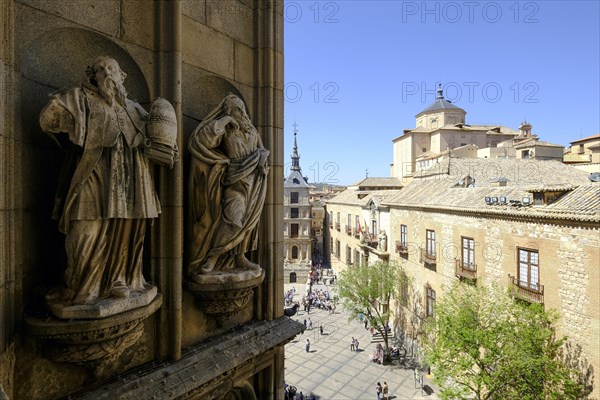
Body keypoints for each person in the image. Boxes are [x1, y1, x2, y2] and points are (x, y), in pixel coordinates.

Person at [39, 56, 167, 305]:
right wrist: (63, 109)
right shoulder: (82, 99)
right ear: (93, 77)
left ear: (122, 76)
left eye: (112, 69)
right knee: (83, 231)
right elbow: (49, 119)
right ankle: (78, 286)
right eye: (100, 70)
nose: (107, 74)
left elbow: (158, 145)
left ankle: (120, 278)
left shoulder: (136, 110)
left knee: (126, 231)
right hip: (93, 178)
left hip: (130, 184)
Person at [188, 94, 269, 277]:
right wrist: (225, 121)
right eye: (235, 109)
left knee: (249, 222)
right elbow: (202, 141)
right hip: (234, 180)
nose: (240, 112)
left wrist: (262, 160)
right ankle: (213, 257)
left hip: (253, 181)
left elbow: (260, 150)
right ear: (227, 111)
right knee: (234, 220)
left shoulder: (253, 131)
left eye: (241, 108)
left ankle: (239, 256)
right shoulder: (226, 129)